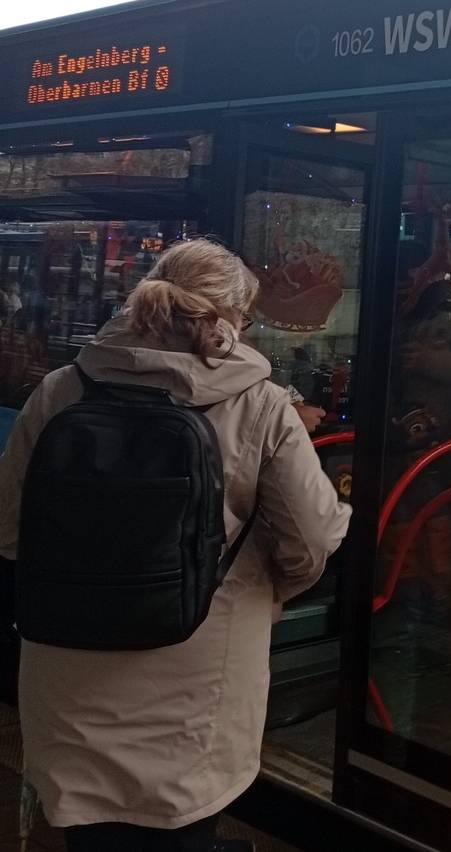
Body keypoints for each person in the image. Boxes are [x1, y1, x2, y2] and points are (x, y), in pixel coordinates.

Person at [0, 239, 350, 852]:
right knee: (185, 825)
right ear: (235, 319)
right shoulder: (263, 404)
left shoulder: (60, 390)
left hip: (68, 664)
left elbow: (7, 530)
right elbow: (313, 539)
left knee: (90, 831)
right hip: (199, 676)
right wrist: (267, 593)